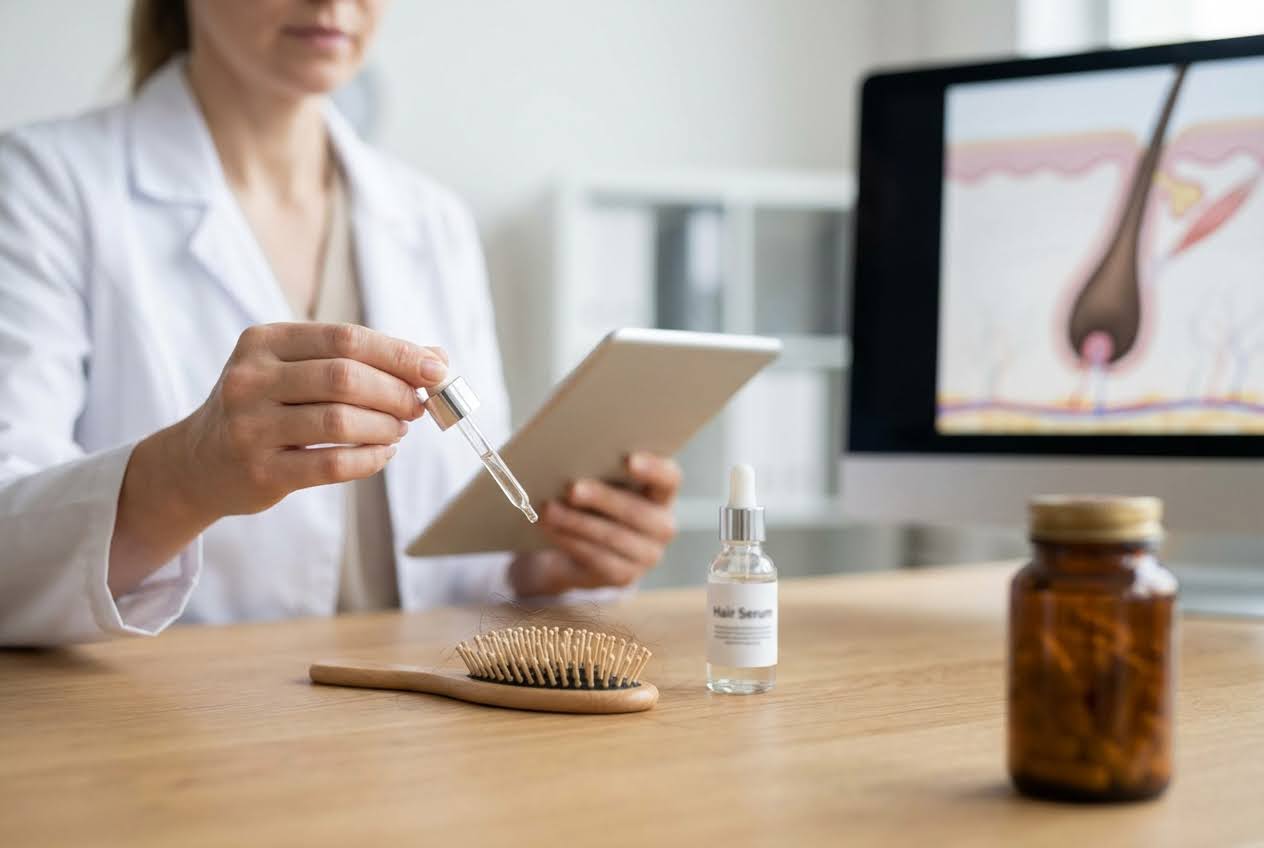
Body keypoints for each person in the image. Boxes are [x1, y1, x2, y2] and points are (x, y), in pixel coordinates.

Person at [0, 0, 680, 645]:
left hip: (417, 732)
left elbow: (463, 559)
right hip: (168, 735)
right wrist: (184, 476)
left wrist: (544, 571)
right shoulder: (42, 188)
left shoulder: (432, 220)